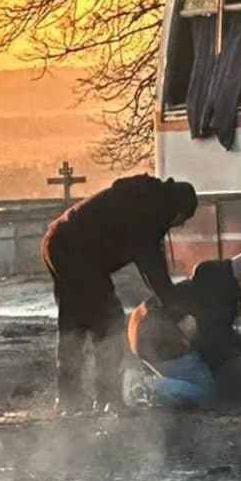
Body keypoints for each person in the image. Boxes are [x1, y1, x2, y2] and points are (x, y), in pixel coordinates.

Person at [41, 174, 197, 414]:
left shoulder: (144, 198)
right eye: (182, 220)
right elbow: (153, 269)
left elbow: (150, 265)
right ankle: (108, 397)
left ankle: (69, 398)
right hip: (78, 253)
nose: (178, 225)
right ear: (178, 210)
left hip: (56, 240)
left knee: (73, 322)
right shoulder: (148, 212)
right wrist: (179, 313)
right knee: (109, 321)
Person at [126, 248, 241, 407]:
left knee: (201, 380)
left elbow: (214, 332)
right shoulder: (219, 297)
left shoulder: (213, 283)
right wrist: (240, 355)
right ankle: (145, 388)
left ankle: (149, 381)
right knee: (204, 391)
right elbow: (212, 340)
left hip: (143, 329)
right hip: (160, 339)